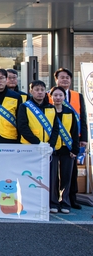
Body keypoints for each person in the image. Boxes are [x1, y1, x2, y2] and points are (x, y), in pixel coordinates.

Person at [52, 67, 88, 210]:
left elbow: (82, 117)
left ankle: (71, 199)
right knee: (55, 173)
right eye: (62, 77)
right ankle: (55, 200)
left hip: (73, 138)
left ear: (71, 80)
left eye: (67, 77)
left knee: (71, 172)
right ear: (56, 79)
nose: (65, 80)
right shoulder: (51, 95)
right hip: (55, 139)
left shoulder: (77, 95)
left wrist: (83, 138)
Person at [49, 86, 80, 214]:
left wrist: (75, 149)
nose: (57, 98)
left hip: (67, 149)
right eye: (55, 95)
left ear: (64, 97)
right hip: (53, 149)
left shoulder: (70, 112)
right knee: (53, 177)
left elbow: (74, 132)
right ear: (51, 97)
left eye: (60, 95)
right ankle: (53, 203)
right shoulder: (47, 111)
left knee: (66, 177)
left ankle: (65, 203)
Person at [17, 80, 58, 145]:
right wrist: (38, 143)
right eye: (37, 90)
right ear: (31, 91)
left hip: (47, 146)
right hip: (29, 146)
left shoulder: (51, 107)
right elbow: (22, 127)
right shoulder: (24, 106)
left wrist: (51, 144)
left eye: (42, 90)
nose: (40, 92)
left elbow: (56, 128)